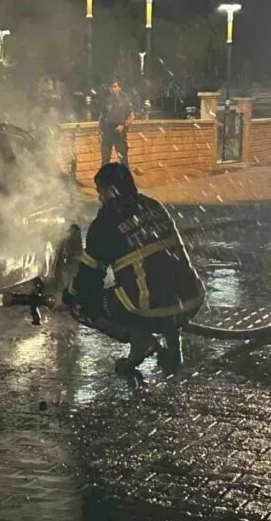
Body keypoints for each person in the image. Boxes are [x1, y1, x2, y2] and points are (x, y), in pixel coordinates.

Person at [63, 163, 206, 383]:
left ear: (110, 191)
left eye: (100, 192)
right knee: (161, 281)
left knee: (83, 304)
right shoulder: (153, 205)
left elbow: (88, 280)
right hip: (191, 300)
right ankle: (173, 348)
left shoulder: (105, 223)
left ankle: (139, 340)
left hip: (152, 309)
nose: (100, 198)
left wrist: (69, 295)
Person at [98, 79, 135, 167]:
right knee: (105, 160)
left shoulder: (124, 101)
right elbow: (101, 117)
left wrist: (123, 126)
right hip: (107, 133)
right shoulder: (106, 101)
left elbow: (132, 116)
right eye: (111, 87)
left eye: (115, 87)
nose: (113, 89)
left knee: (123, 159)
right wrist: (100, 131)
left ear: (119, 88)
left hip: (119, 133)